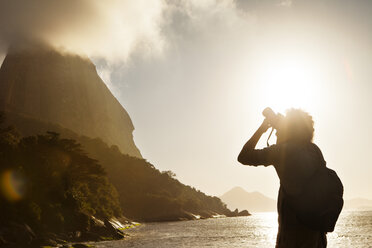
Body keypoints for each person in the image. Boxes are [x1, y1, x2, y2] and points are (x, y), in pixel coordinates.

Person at [237, 108, 327, 248]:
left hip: (292, 238)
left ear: (289, 128)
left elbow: (243, 156)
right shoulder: (314, 150)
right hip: (317, 237)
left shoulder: (282, 151)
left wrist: (262, 129)